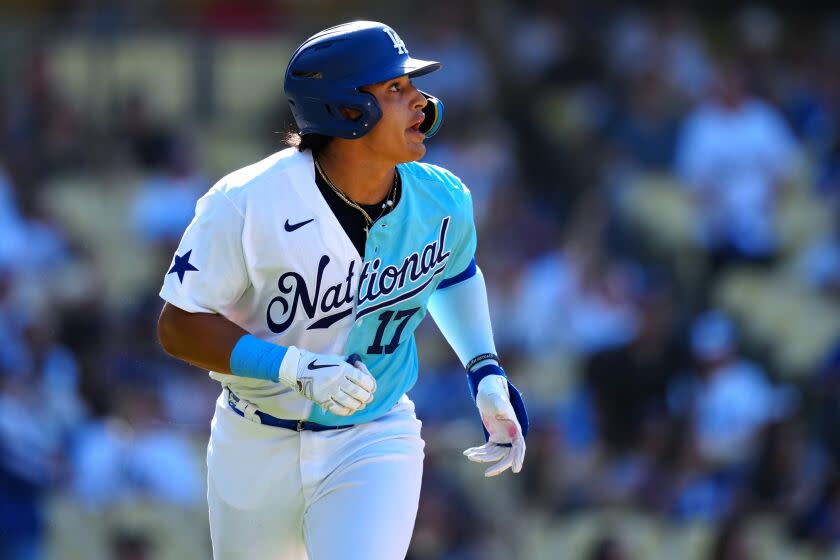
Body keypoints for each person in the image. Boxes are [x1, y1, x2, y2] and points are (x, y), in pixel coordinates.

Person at [156, 21, 528, 560]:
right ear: (347, 111)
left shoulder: (443, 197)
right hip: (254, 438)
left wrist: (485, 370)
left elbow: (452, 272)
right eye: (396, 89)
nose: (421, 102)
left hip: (374, 432)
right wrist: (295, 368)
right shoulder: (246, 201)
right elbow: (178, 325)